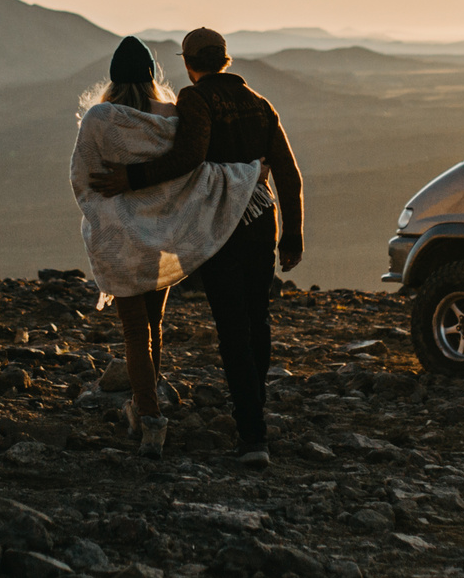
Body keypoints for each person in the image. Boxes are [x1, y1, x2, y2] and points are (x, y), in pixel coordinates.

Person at [87, 27, 304, 467]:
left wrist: (130, 180)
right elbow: (288, 170)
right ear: (225, 58)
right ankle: (253, 412)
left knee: (232, 329)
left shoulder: (195, 100)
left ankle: (251, 433)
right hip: (264, 220)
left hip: (222, 226)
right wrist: (293, 235)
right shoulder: (260, 103)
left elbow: (188, 158)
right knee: (256, 318)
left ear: (189, 62)